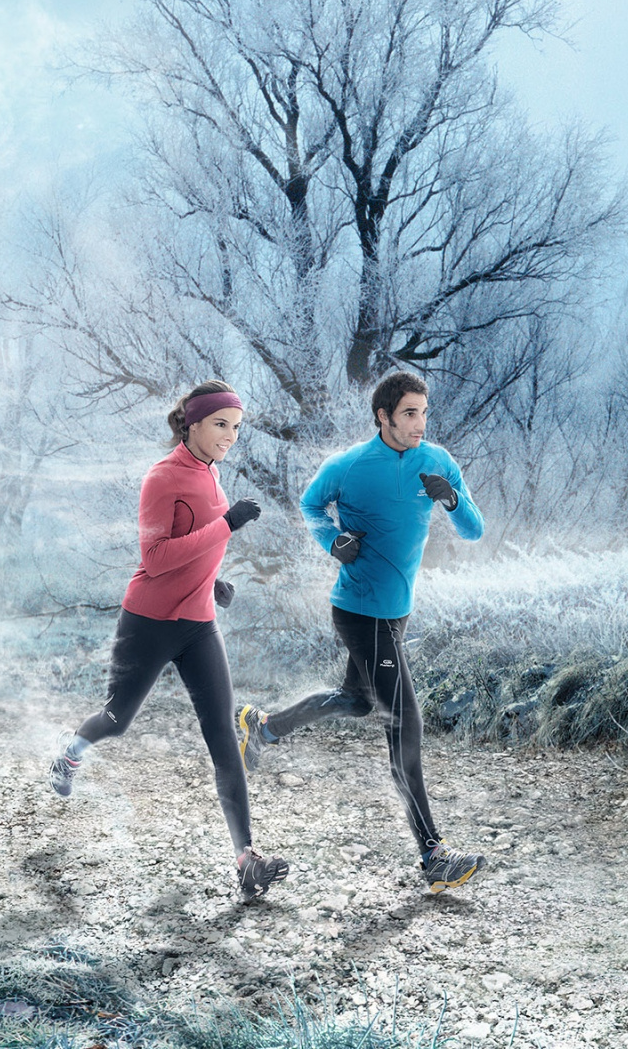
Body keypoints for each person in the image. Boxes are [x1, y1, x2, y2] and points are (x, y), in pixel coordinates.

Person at [237, 370, 486, 894]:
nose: (420, 423)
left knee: (355, 702)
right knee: (405, 723)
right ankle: (433, 854)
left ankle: (263, 727)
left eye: (424, 412)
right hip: (358, 610)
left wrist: (453, 501)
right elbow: (310, 505)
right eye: (409, 414)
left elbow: (474, 530)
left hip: (396, 612)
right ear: (384, 417)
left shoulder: (437, 463)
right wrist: (331, 540)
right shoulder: (348, 466)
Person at [49, 380, 289, 904]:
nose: (229, 436)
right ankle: (70, 754)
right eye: (221, 425)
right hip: (150, 622)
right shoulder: (161, 478)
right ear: (193, 424)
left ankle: (247, 861)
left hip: (199, 625)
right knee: (117, 719)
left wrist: (213, 580)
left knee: (223, 738)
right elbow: (155, 557)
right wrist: (227, 525)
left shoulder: (212, 473)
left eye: (236, 427)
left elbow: (195, 548)